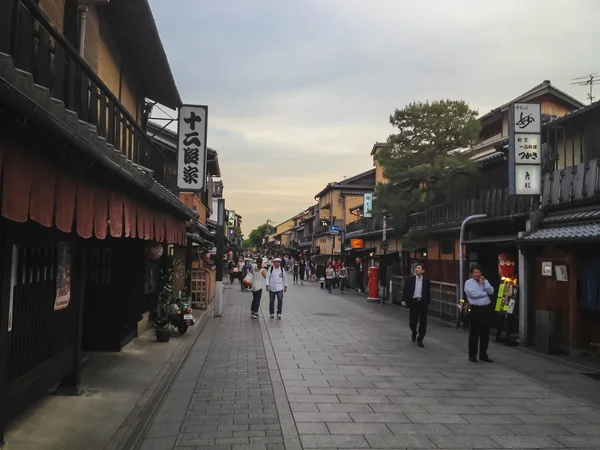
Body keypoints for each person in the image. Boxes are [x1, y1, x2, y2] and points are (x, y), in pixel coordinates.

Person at [464, 265, 495, 363]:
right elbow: (473, 295)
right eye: (475, 272)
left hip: (486, 308)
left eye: (479, 272)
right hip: (476, 309)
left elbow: (491, 291)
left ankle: (483, 354)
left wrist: (484, 284)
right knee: (474, 332)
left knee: (485, 332)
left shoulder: (484, 281)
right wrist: (484, 293)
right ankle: (472, 355)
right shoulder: (468, 283)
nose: (477, 274)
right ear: (471, 273)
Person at [401, 263, 431, 348]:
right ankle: (414, 332)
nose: (416, 269)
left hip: (422, 302)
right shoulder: (410, 279)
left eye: (419, 268)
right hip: (413, 302)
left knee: (423, 322)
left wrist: (427, 301)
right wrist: (404, 300)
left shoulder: (427, 280)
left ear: (423, 271)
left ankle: (420, 339)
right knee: (412, 322)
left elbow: (428, 292)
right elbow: (406, 290)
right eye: (416, 268)